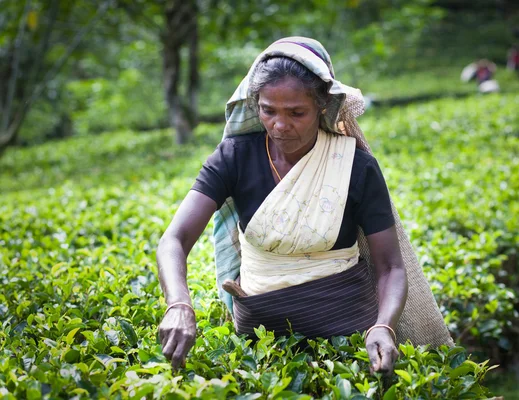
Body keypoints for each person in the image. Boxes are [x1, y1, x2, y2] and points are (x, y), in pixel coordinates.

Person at [156, 37, 452, 374]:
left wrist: (383, 326)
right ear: (255, 105)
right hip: (258, 345)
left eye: (297, 112)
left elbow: (390, 268)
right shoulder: (234, 157)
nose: (280, 125)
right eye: (268, 111)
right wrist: (179, 304)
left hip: (350, 339)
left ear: (323, 106)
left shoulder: (354, 166)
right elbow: (174, 240)